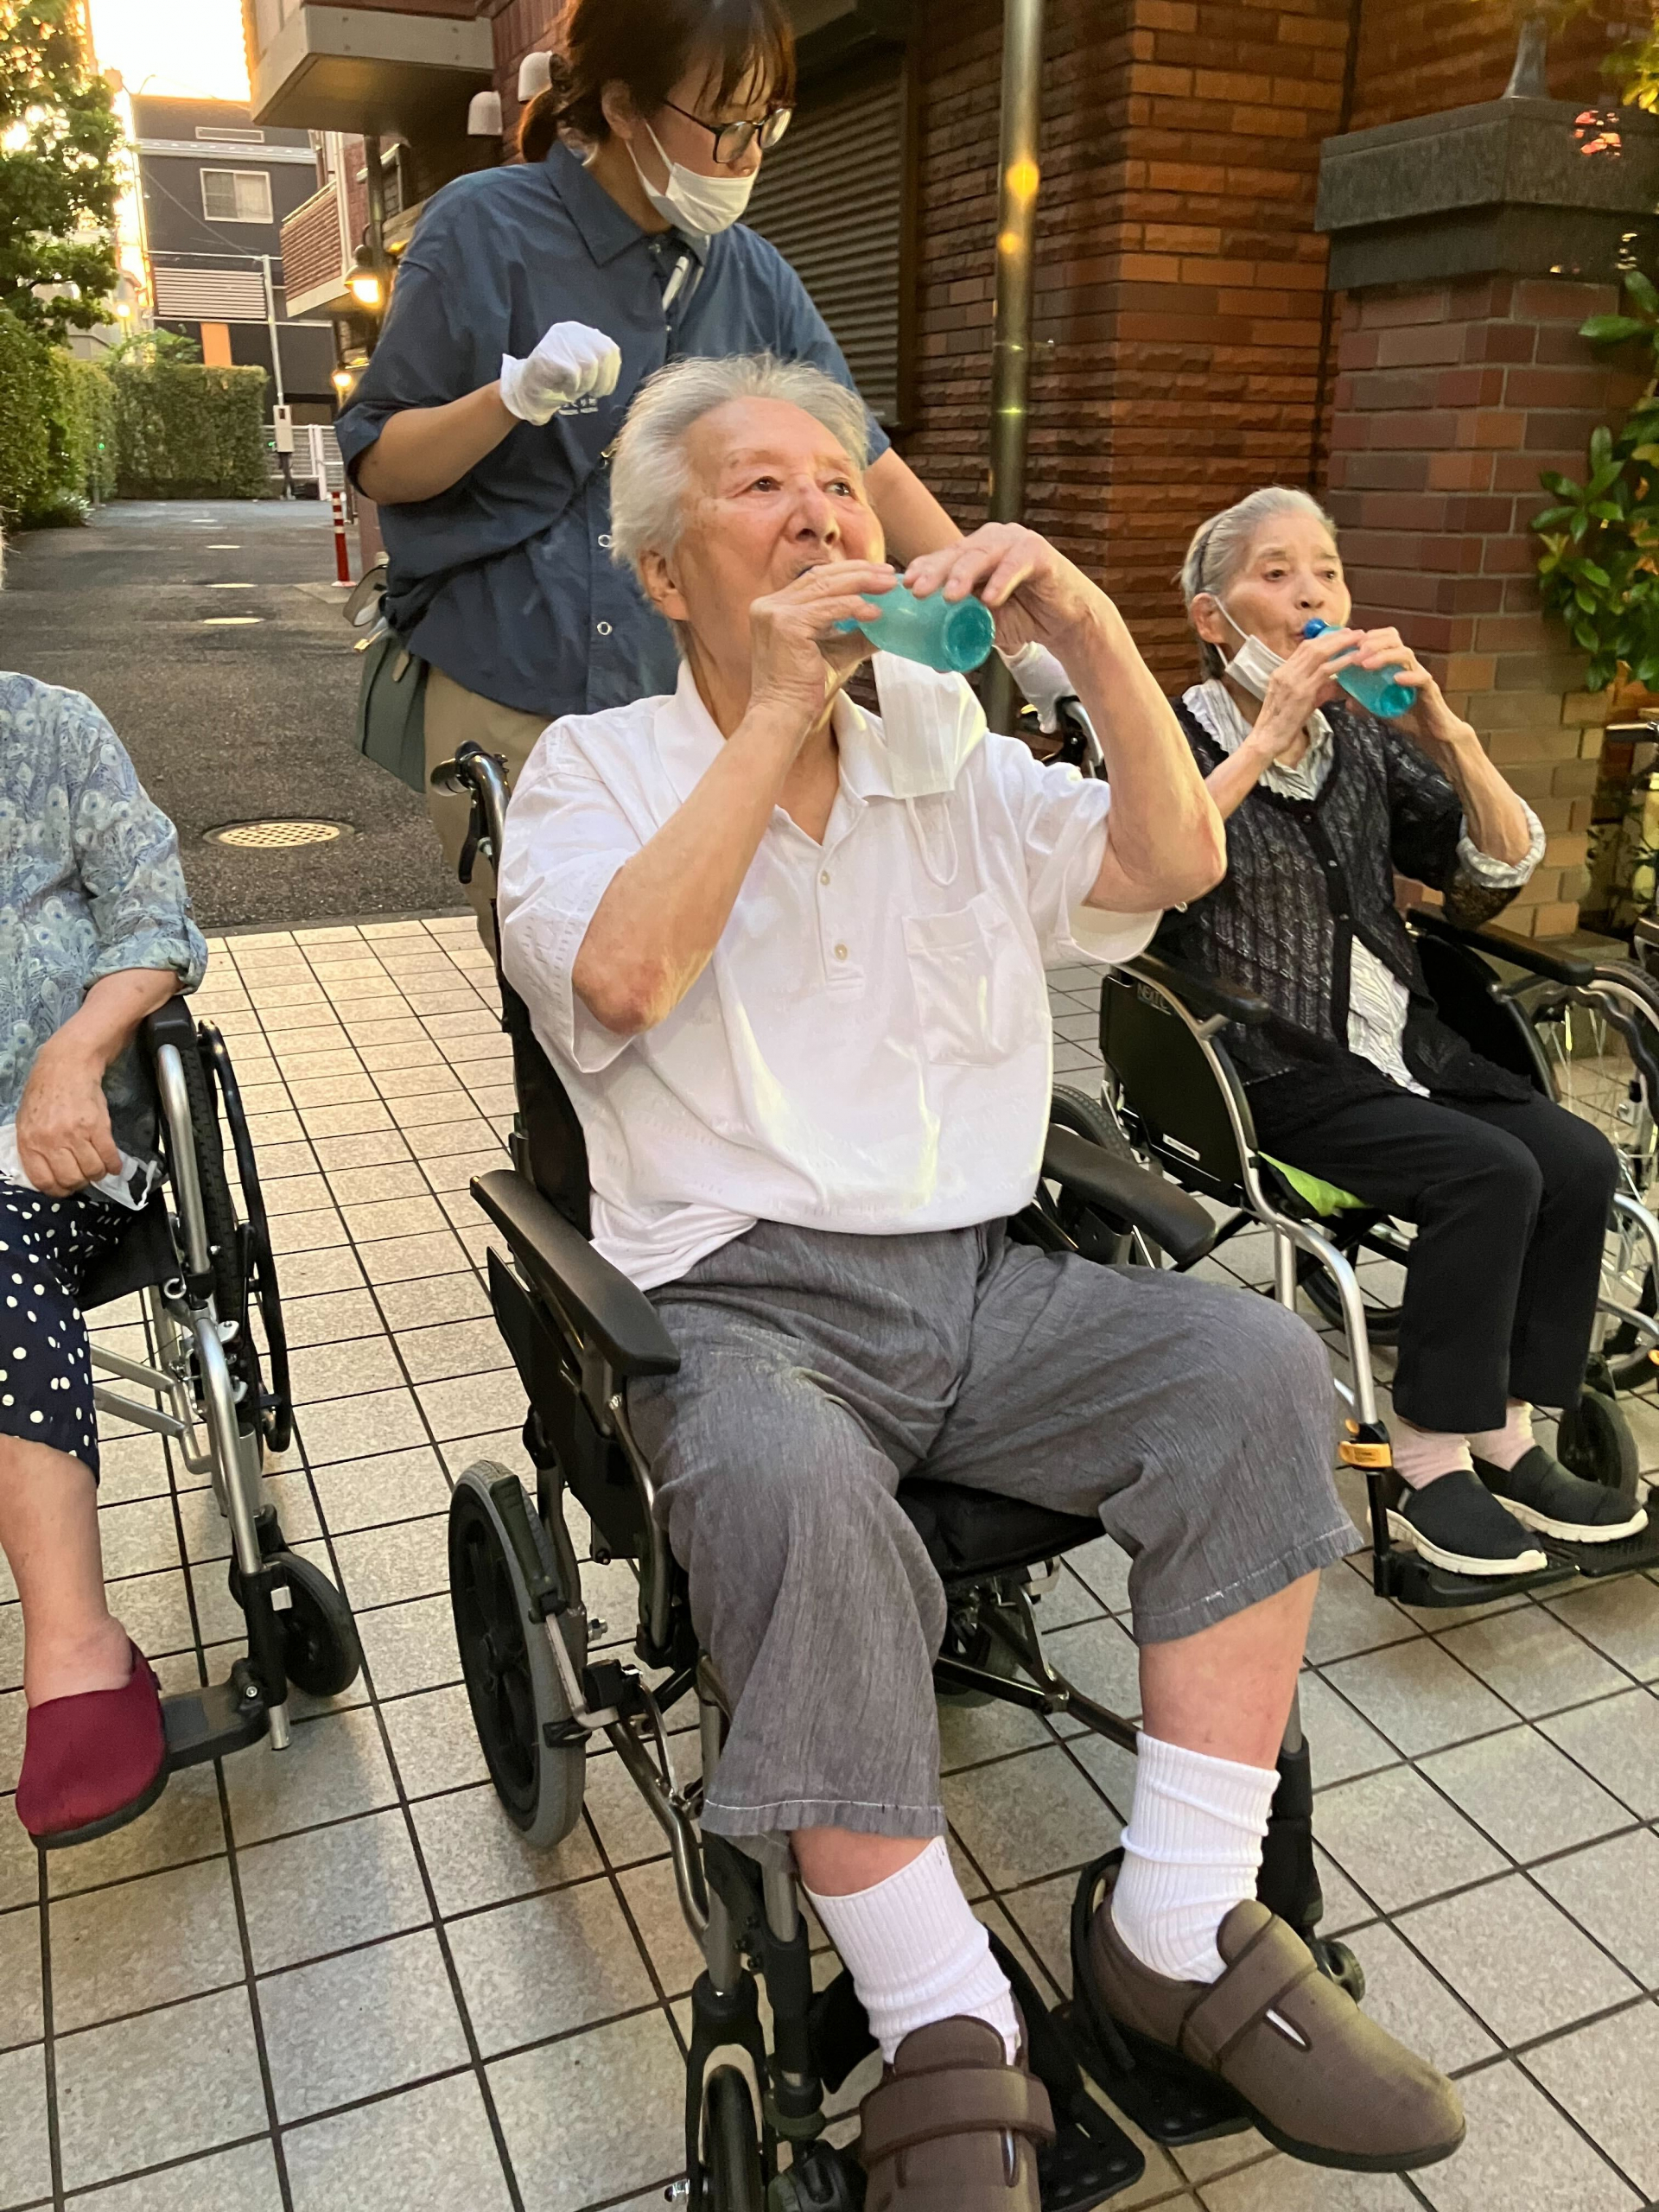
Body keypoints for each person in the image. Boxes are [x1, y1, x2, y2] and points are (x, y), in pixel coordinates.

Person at [496, 355, 1463, 2204]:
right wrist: (780, 714)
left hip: (982, 1275)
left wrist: (1087, 631)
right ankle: (943, 2011)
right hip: (740, 1301)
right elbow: (618, 980)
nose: (820, 511)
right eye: (761, 487)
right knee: (792, 1493)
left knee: (1257, 1369)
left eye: (839, 484)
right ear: (669, 574)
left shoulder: (949, 751)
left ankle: (1176, 1927)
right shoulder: (594, 772)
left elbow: (1168, 858)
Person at [338, 0, 1075, 927]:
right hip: (516, 685)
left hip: (698, 703)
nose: (750, 154)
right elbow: (382, 463)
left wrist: (1019, 633)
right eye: (727, 124)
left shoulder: (751, 273)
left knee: (724, 965)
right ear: (622, 106)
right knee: (575, 977)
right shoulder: (485, 228)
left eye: (768, 123)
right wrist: (509, 399)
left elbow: (868, 462)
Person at [1165, 484, 1644, 1580]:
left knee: (1574, 1160)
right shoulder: (1169, 738)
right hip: (1270, 1060)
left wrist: (1448, 731)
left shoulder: (1363, 742)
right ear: (1212, 618)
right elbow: (1145, 877)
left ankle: (1506, 1434)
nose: (1312, 597)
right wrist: (1267, 736)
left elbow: (1488, 877)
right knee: (1489, 1173)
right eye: (1276, 574)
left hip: (1405, 1048)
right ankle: (1428, 1461)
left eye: (1326, 573)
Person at [0, 543, 209, 1845]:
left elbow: (154, 918)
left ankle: (76, 1647)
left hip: (55, 1154)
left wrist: (74, 1053)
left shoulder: (53, 732)